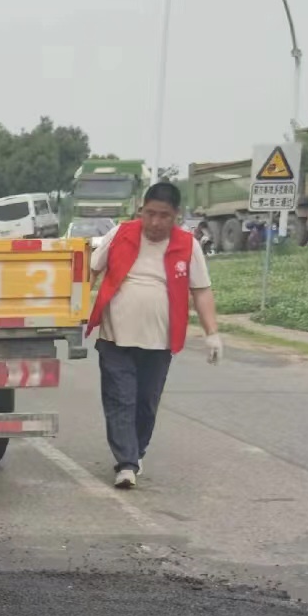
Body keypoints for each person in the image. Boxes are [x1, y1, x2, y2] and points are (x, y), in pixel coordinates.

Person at [86, 180, 223, 489]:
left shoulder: (188, 246)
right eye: (149, 214)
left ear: (176, 215)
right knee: (120, 399)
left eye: (164, 215)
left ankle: (136, 451)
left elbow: (201, 291)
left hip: (159, 341)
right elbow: (91, 271)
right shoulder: (120, 234)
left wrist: (212, 333)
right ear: (141, 210)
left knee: (146, 403)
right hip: (115, 338)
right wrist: (77, 304)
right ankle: (126, 462)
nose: (155, 222)